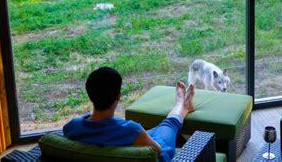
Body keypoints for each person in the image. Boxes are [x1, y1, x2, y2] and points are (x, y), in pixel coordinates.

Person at [63, 67, 195, 162]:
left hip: (134, 140)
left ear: (90, 96)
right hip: (160, 153)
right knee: (169, 124)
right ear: (119, 96)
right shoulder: (132, 130)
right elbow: (158, 151)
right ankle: (181, 105)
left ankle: (183, 106)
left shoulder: (72, 127)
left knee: (152, 131)